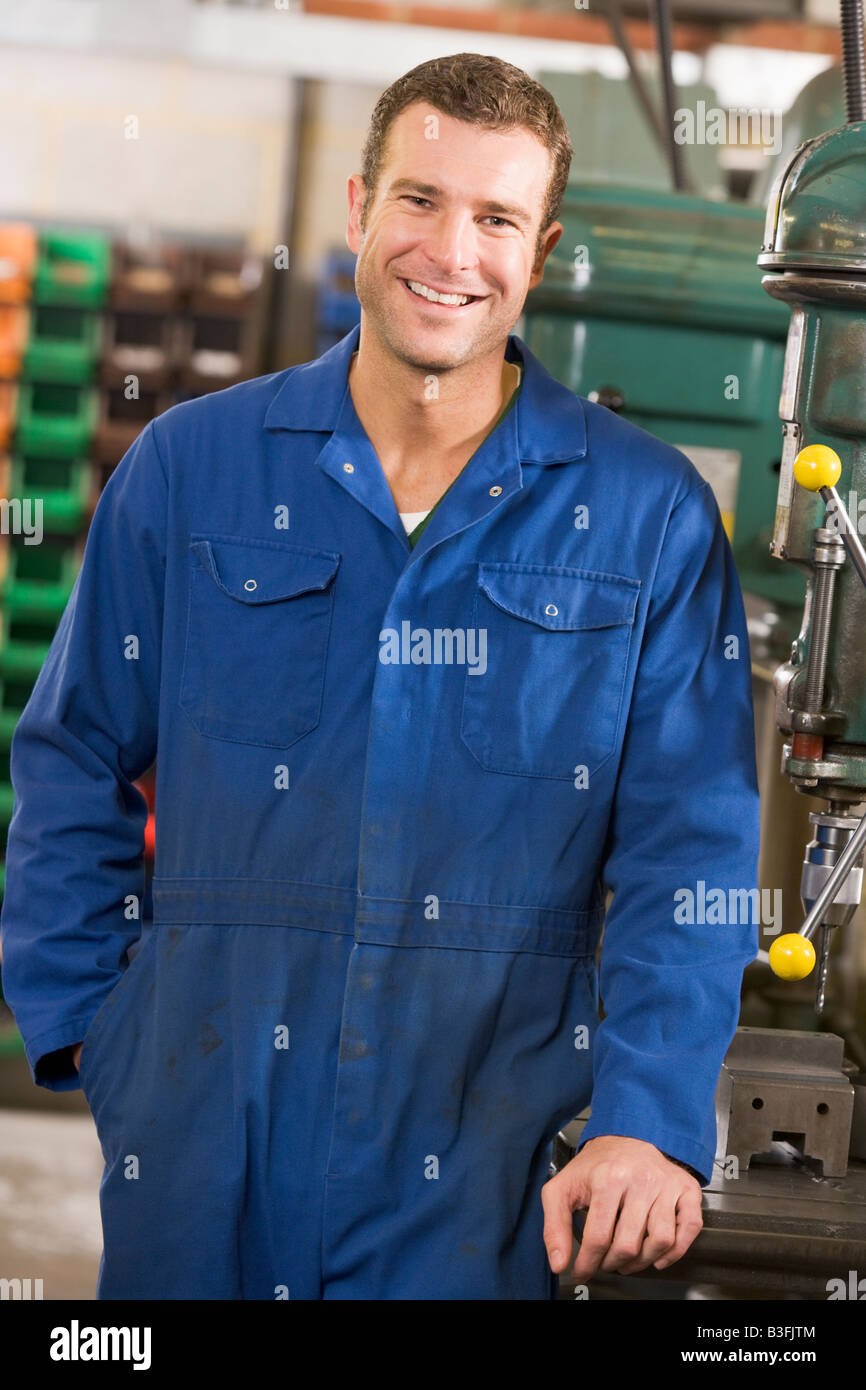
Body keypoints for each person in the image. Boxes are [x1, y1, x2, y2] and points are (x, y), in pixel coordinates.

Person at [0, 52, 760, 1300]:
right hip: (204, 1135)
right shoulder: (194, 469)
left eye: (495, 217)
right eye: (419, 200)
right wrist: (99, 1029)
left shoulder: (646, 519)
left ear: (543, 245)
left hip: (486, 1158)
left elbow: (693, 848)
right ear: (358, 209)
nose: (449, 250)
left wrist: (650, 1114)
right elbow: (72, 752)